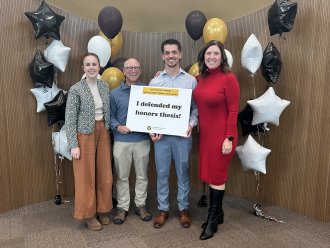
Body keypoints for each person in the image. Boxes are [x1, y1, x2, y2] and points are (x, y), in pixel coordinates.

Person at [193, 40, 240, 240]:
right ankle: (218, 213)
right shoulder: (199, 78)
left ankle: (212, 220)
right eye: (208, 53)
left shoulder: (229, 79)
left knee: (217, 177)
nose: (212, 57)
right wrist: (161, 75)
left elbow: (233, 110)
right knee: (210, 174)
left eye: (216, 54)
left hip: (223, 137)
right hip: (206, 136)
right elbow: (183, 84)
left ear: (222, 57)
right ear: (204, 56)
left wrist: (228, 138)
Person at [149, 39, 198, 229]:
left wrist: (191, 124)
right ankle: (163, 209)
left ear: (180, 54)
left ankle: (183, 209)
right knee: (161, 173)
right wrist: (151, 128)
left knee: (182, 173)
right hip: (161, 139)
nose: (171, 56)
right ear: (163, 56)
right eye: (167, 53)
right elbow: (150, 110)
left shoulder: (190, 80)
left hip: (182, 137)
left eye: (174, 52)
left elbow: (196, 108)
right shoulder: (155, 81)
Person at [65, 52, 113, 231]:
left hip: (103, 132)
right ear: (83, 68)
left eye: (94, 64)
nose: (92, 67)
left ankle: (102, 209)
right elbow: (69, 119)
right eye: (88, 64)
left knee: (104, 174)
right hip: (84, 135)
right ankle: (88, 214)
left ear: (99, 66)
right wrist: (73, 145)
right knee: (85, 176)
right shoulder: (76, 89)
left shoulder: (104, 85)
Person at [110, 58, 152, 224]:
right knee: (122, 176)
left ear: (140, 71)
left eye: (136, 68)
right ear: (124, 71)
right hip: (121, 141)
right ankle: (122, 207)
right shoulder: (114, 93)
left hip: (142, 140)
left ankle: (140, 205)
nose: (133, 71)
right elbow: (110, 116)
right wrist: (118, 126)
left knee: (142, 176)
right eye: (130, 68)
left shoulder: (148, 91)